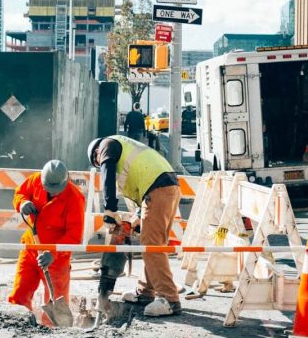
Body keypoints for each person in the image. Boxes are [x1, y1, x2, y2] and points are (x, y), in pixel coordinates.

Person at [87, 135, 182, 317]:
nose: (100, 165)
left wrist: (110, 209)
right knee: (152, 243)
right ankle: (145, 292)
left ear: (96, 154)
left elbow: (107, 170)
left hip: (158, 188)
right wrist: (138, 216)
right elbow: (142, 179)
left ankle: (170, 299)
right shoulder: (127, 148)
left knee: (152, 246)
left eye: (98, 162)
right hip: (166, 186)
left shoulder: (107, 144)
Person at [9, 160, 85, 317]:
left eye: (57, 190)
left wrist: (52, 253)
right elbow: (20, 193)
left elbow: (74, 236)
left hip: (56, 257)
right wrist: (22, 203)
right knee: (19, 294)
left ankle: (53, 333)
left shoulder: (74, 198)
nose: (53, 192)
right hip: (31, 248)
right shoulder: (35, 180)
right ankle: (18, 322)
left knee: (56, 301)